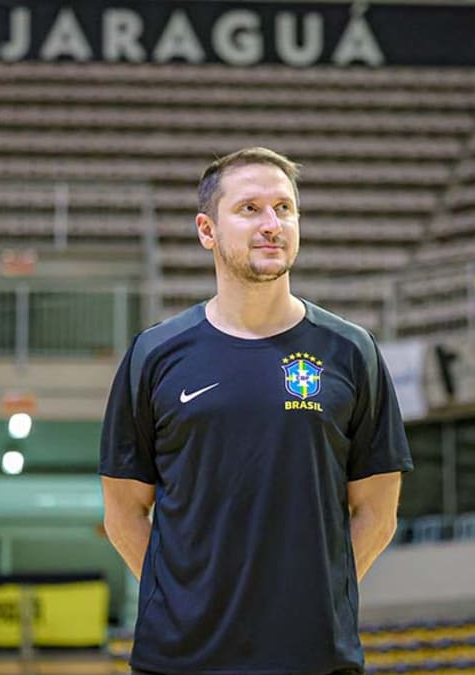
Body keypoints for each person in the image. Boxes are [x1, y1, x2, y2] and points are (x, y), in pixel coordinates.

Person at [99, 147, 413, 675]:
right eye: (250, 209)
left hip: (312, 658)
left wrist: (313, 601)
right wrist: (182, 600)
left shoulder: (351, 351)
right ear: (207, 230)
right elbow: (123, 512)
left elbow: (377, 513)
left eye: (284, 209)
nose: (272, 224)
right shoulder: (154, 355)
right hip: (180, 659)